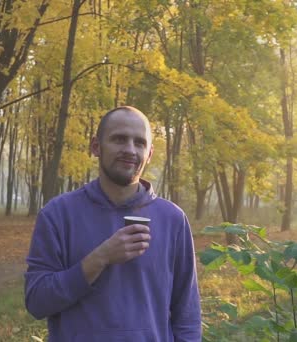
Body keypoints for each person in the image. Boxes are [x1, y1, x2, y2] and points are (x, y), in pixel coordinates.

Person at [25, 106, 202, 341]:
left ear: (149, 153)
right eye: (119, 139)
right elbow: (37, 301)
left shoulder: (173, 219)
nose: (130, 149)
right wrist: (100, 258)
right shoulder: (58, 214)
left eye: (139, 143)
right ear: (96, 146)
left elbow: (187, 315)